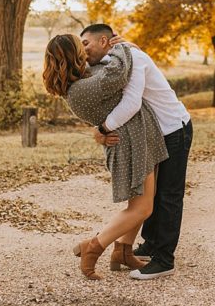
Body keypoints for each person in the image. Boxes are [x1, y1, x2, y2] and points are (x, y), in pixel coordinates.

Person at [43, 34, 169, 280]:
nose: (86, 50)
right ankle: (94, 246)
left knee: (142, 202)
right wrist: (123, 46)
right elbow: (118, 72)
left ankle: (122, 251)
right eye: (81, 47)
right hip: (129, 145)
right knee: (142, 208)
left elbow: (109, 66)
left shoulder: (85, 77)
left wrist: (126, 48)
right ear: (73, 55)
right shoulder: (81, 89)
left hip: (137, 140)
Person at [79, 24, 193, 280]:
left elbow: (131, 103)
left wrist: (103, 128)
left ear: (104, 40)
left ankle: (164, 260)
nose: (83, 50)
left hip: (174, 128)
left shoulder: (133, 57)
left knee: (168, 197)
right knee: (151, 195)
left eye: (86, 43)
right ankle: (151, 245)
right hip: (153, 134)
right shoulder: (114, 62)